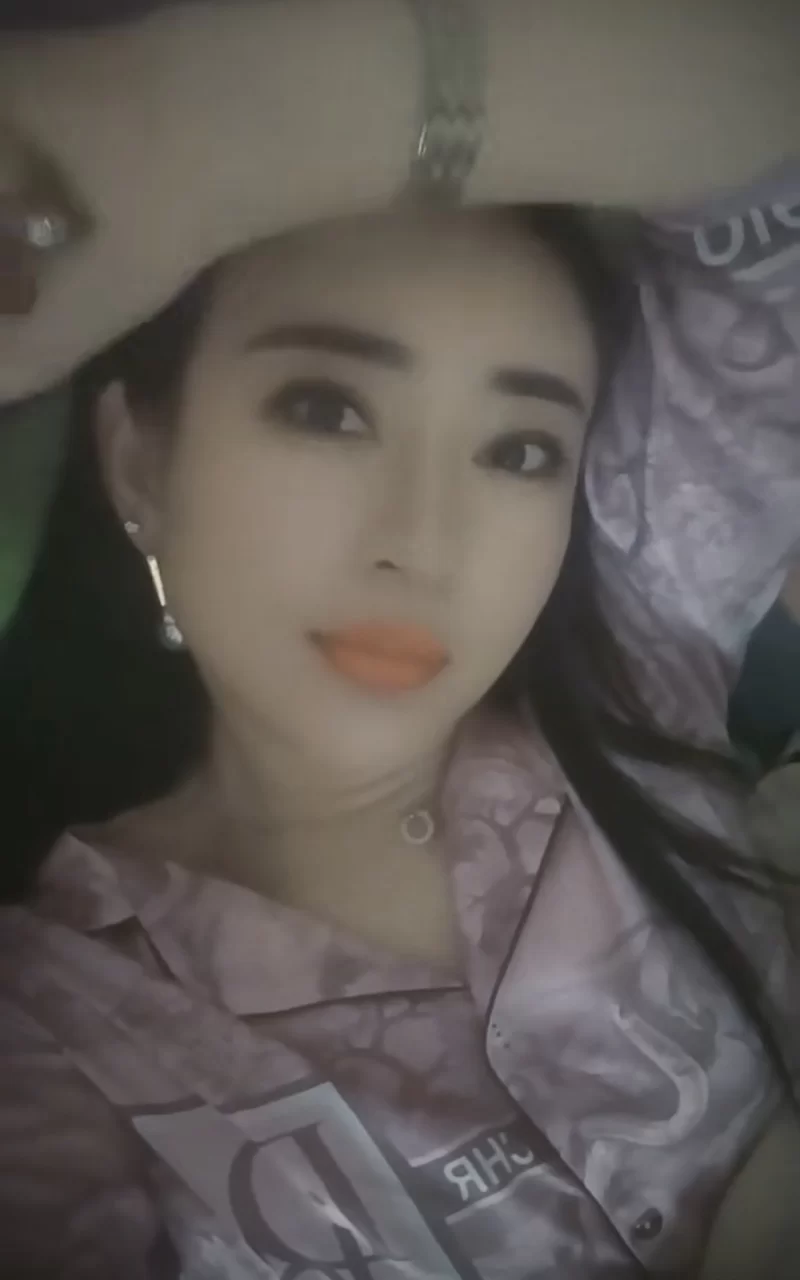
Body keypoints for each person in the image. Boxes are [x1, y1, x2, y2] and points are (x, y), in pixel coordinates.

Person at [0, 3, 798, 1278]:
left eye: (518, 449)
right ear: (137, 459)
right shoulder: (61, 1025)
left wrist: (171, 132)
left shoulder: (633, 661)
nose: (422, 542)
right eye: (326, 408)